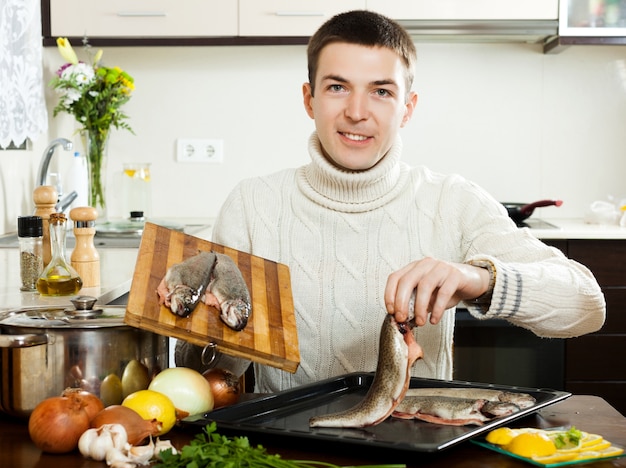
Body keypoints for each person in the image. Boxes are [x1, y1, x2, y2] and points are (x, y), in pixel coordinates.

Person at [176, 10, 605, 393]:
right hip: (292, 455)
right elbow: (208, 373)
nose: (357, 111)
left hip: (420, 451)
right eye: (338, 87)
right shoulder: (253, 205)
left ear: (407, 108)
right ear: (309, 99)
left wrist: (480, 278)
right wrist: (210, 324)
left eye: (381, 91)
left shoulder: (451, 201)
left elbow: (587, 305)